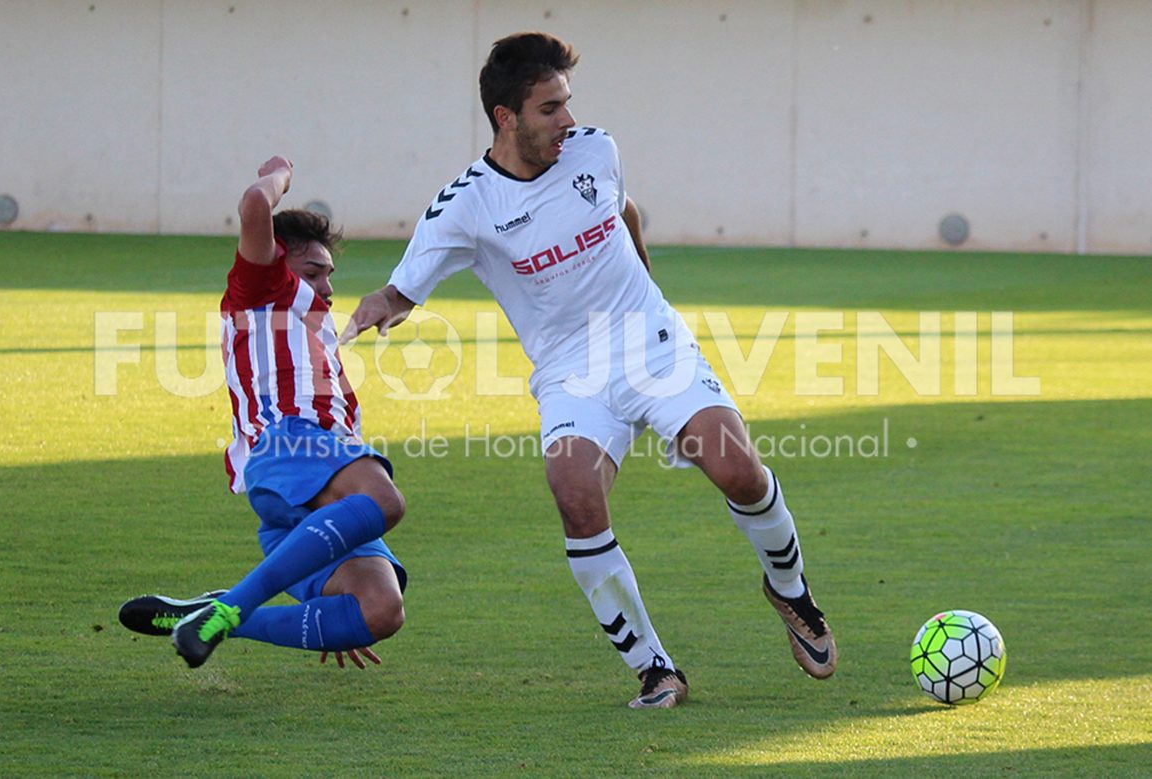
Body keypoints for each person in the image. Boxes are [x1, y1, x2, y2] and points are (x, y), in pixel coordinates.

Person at [343, 32, 835, 708]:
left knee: (738, 469)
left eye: (568, 104)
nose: (567, 121)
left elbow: (621, 207)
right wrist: (378, 307)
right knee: (573, 491)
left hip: (651, 342)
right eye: (550, 109)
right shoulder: (464, 205)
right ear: (505, 117)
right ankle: (655, 668)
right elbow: (403, 290)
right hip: (571, 368)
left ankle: (790, 590)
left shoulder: (596, 150)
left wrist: (642, 265)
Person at [119, 156, 407, 670]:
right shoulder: (263, 290)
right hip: (290, 447)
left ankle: (210, 612)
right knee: (383, 499)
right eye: (313, 271)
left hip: (305, 497)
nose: (328, 286)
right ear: (278, 261)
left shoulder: (314, 331)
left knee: (379, 611)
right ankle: (232, 607)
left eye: (330, 275)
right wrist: (281, 174)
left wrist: (325, 623)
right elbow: (255, 205)